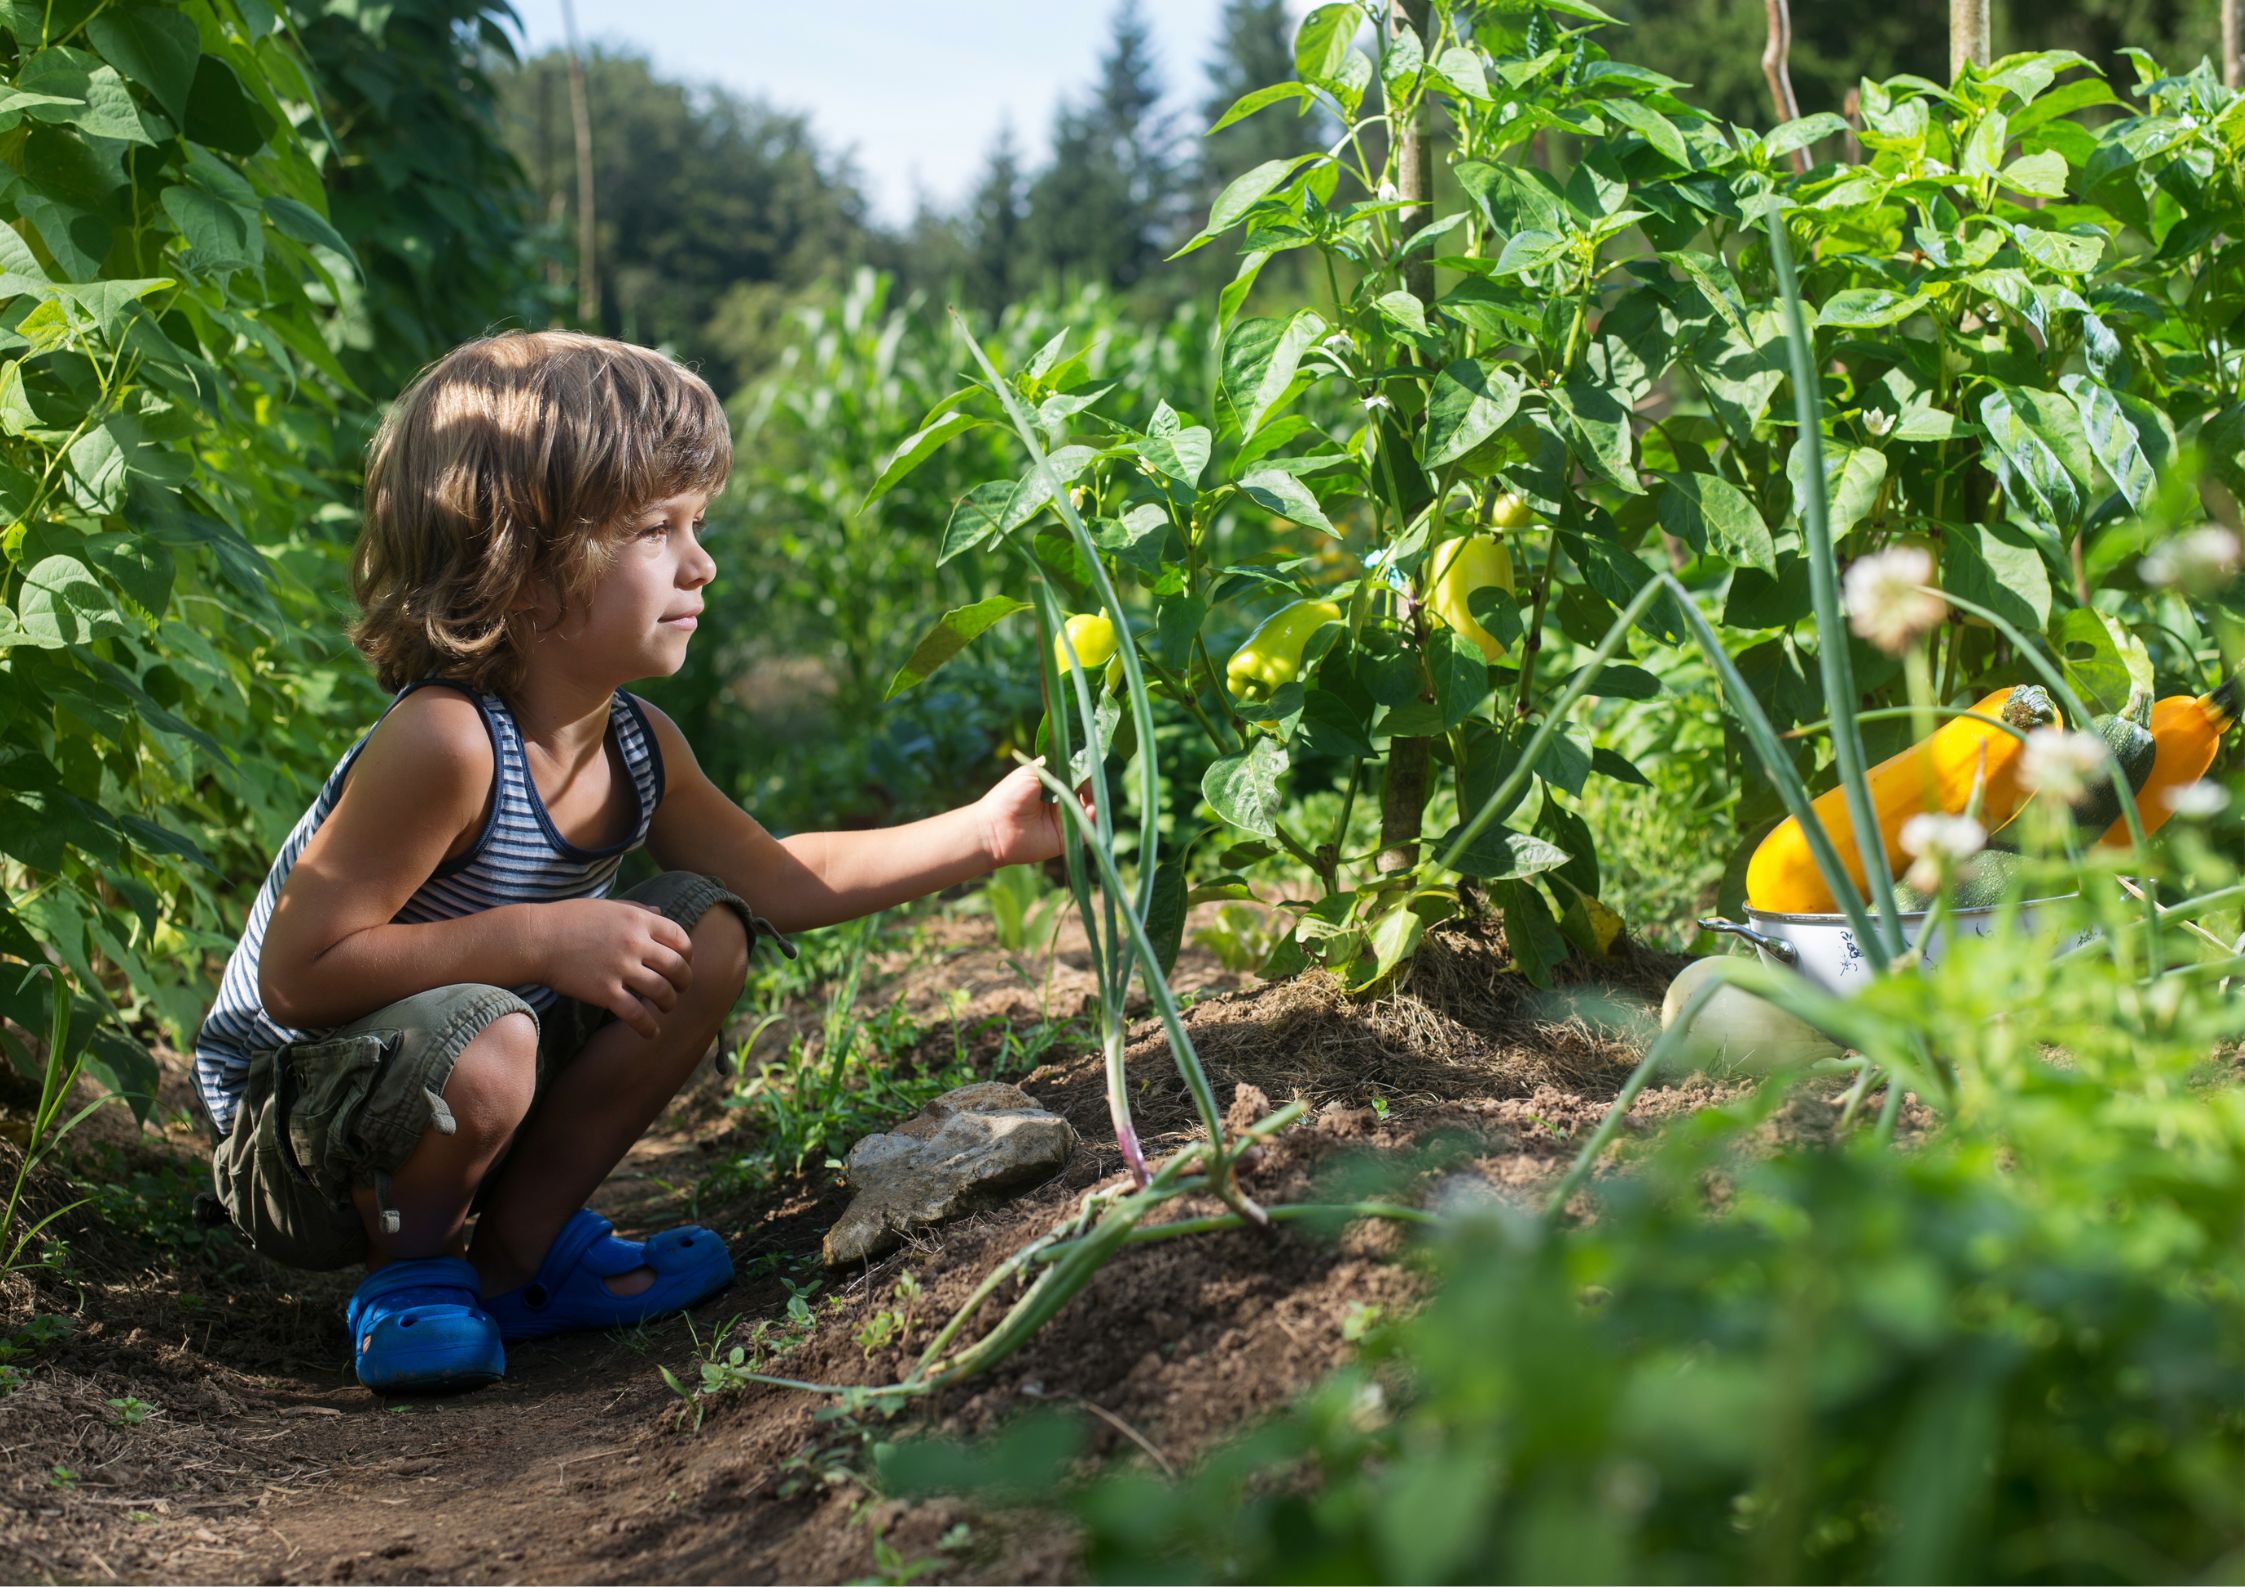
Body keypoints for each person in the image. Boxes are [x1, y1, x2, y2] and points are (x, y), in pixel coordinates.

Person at [192, 330, 1074, 1393]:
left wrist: (986, 835)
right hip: (294, 1133)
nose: (701, 562)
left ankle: (515, 1260)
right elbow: (301, 973)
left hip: (466, 1071)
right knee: (492, 1035)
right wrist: (540, 935)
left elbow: (784, 882)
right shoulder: (445, 741)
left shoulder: (637, 744)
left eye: (696, 523)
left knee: (705, 930)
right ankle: (410, 1275)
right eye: (656, 529)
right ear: (518, 569)